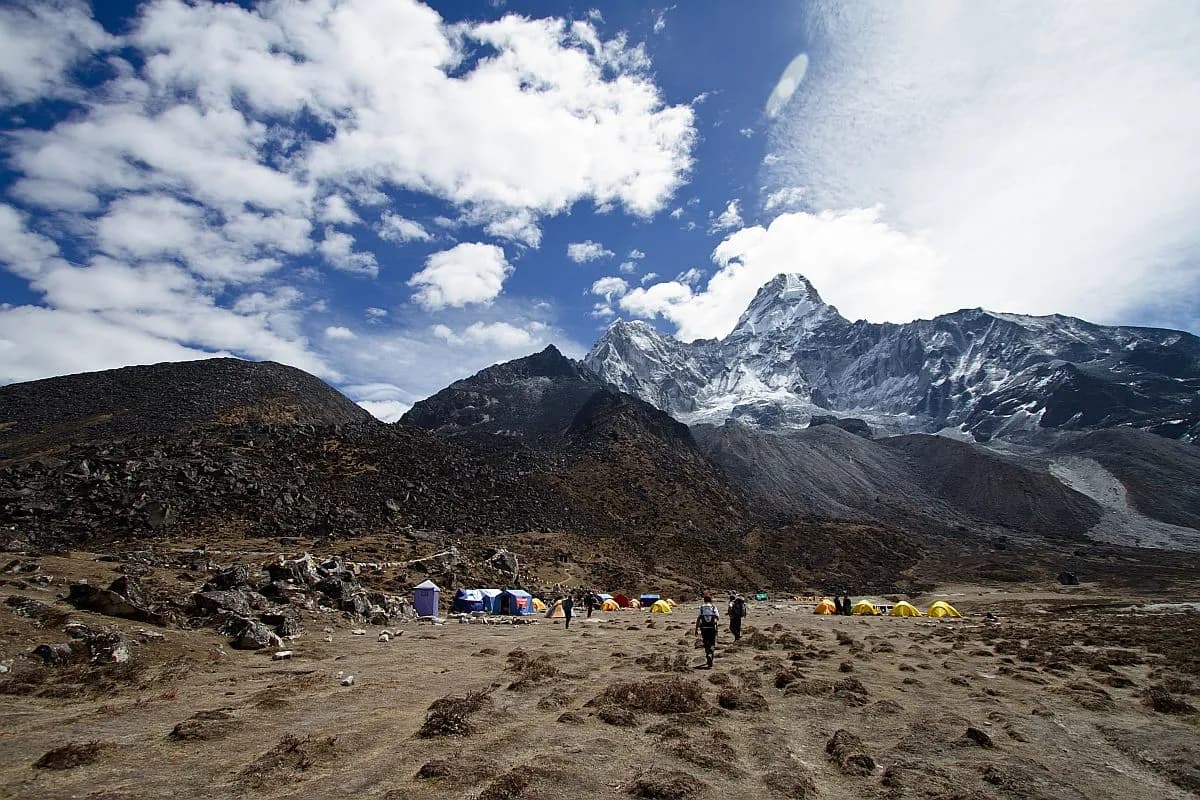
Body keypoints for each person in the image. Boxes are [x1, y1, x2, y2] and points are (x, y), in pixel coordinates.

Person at [695, 594, 720, 668]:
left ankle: (708, 654)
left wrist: (696, 629)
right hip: (712, 627)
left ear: (704, 600)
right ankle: (710, 654)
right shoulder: (713, 607)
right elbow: (717, 617)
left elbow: (698, 619)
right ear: (710, 600)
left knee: (705, 642)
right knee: (712, 642)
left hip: (703, 628)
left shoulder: (701, 607)